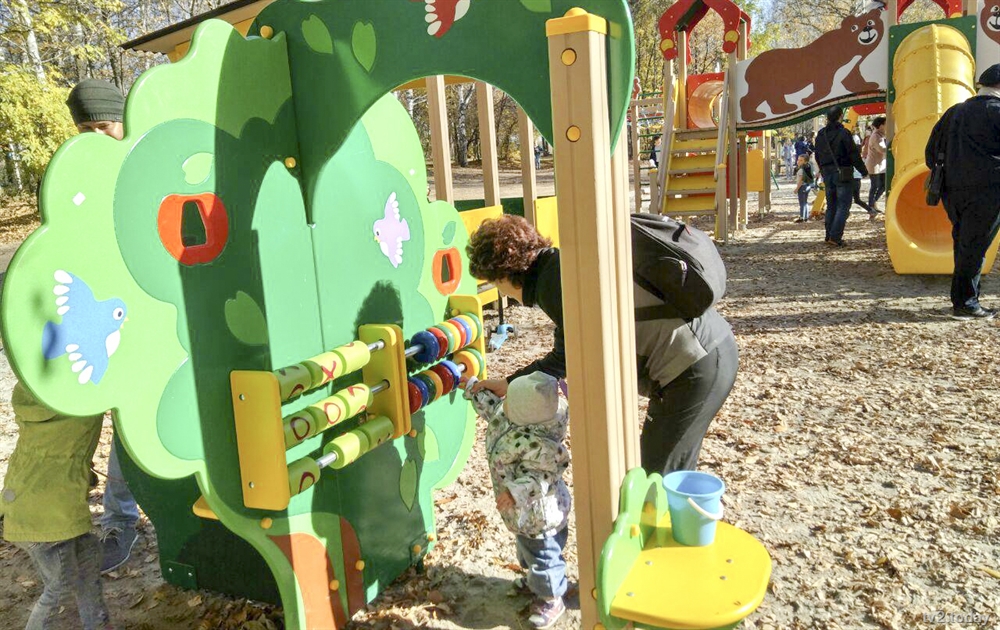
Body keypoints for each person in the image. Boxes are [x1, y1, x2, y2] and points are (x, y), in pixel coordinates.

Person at [466, 216, 738, 474]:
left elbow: (568, 356)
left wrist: (511, 382)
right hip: (707, 352)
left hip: (692, 367)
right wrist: (510, 382)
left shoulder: (554, 283)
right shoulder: (559, 267)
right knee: (666, 470)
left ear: (504, 273)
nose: (500, 292)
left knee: (657, 476)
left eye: (495, 283)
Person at [65, 79, 140, 573]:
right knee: (108, 412)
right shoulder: (77, 175)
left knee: (138, 417)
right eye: (84, 129)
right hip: (102, 311)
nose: (95, 136)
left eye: (104, 125)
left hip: (145, 307)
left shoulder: (142, 163)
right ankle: (114, 518)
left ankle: (123, 517)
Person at [1, 384, 116, 630]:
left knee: (88, 556)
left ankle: (97, 624)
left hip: (39, 502)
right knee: (61, 585)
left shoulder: (39, 395)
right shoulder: (75, 399)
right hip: (43, 515)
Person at [464, 372, 571, 629]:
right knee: (527, 549)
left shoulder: (542, 448)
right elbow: (494, 410)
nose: (504, 404)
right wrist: (472, 387)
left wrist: (515, 492)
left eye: (509, 402)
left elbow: (539, 479)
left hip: (539, 515)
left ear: (524, 416)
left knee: (543, 556)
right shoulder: (513, 416)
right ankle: (536, 580)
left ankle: (551, 598)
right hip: (525, 514)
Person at [926, 64, 1000, 320]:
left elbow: (931, 153)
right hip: (989, 190)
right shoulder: (997, 111)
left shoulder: (954, 112)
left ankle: (964, 299)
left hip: (951, 189)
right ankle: (966, 304)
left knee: (963, 241)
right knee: (975, 246)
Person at [815, 106, 868, 246]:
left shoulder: (821, 134)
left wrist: (822, 168)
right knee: (843, 205)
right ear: (840, 116)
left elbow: (817, 154)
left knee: (831, 205)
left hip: (827, 172)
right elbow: (853, 154)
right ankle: (835, 237)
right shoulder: (844, 133)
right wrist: (863, 170)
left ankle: (828, 236)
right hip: (843, 172)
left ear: (827, 118)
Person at [864, 116, 888, 212]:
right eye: (886, 124)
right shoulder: (876, 136)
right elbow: (882, 149)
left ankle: (873, 202)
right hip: (874, 165)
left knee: (883, 185)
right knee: (875, 186)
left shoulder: (881, 135)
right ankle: (871, 206)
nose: (887, 126)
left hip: (880, 165)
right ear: (881, 125)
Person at [793, 154, 814, 223]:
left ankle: (802, 217)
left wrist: (797, 188)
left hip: (802, 187)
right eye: (798, 160)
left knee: (802, 203)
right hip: (807, 186)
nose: (798, 161)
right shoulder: (808, 167)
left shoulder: (802, 169)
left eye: (801, 160)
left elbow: (801, 180)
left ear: (805, 162)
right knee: (805, 202)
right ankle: (806, 217)